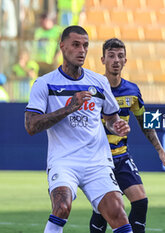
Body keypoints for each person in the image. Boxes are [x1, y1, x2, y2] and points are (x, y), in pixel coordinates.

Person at [25, 26, 133, 233]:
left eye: (85, 45)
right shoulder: (45, 84)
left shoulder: (99, 82)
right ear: (62, 46)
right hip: (64, 161)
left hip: (97, 162)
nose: (81, 50)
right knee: (62, 207)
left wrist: (116, 125)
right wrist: (69, 108)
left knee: (118, 213)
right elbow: (31, 126)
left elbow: (110, 117)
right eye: (75, 45)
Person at [89, 38, 165, 233]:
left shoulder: (133, 90)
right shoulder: (93, 89)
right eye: (111, 56)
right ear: (102, 60)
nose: (116, 60)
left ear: (125, 61)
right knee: (105, 208)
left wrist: (160, 149)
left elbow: (147, 121)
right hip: (99, 160)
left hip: (121, 156)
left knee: (141, 201)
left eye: (120, 56)